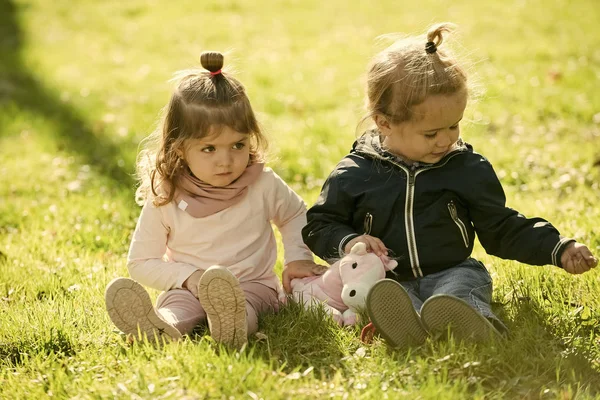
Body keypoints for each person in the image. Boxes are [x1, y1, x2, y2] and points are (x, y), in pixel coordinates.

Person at [301, 23, 598, 348]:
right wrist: (350, 240)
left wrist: (557, 247)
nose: (446, 139)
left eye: (453, 125)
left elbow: (502, 227)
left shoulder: (466, 168)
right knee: (390, 297)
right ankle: (403, 326)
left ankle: (475, 325)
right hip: (390, 278)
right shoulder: (355, 173)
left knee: (460, 291)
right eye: (431, 133)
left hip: (452, 269)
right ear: (384, 123)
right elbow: (319, 224)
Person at [105, 51, 325, 348]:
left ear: (251, 138)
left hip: (252, 285)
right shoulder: (167, 196)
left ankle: (233, 324)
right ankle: (160, 326)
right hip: (188, 286)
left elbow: (294, 213)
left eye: (238, 144)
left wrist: (298, 257)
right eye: (209, 149)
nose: (227, 161)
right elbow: (141, 262)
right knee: (178, 308)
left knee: (246, 305)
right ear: (179, 149)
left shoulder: (261, 183)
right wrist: (189, 277)